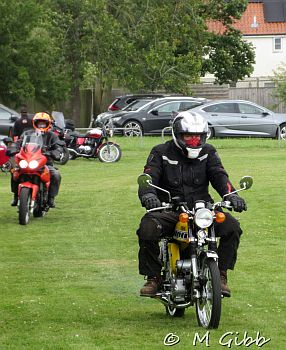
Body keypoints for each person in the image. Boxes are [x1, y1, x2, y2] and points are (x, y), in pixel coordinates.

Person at [137, 111, 247, 298]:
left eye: (198, 136)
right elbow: (149, 177)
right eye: (188, 136)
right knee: (148, 227)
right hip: (170, 209)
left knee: (232, 227)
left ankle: (220, 275)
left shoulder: (208, 152)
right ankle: (153, 277)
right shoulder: (160, 152)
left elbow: (219, 175)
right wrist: (148, 195)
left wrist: (232, 195)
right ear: (177, 134)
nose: (194, 141)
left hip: (202, 210)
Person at [10, 112, 62, 208]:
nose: (41, 125)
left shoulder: (52, 136)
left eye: (44, 123)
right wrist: (13, 147)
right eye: (39, 123)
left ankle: (51, 197)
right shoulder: (27, 133)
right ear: (35, 123)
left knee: (55, 174)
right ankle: (15, 196)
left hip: (45, 163)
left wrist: (55, 152)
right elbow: (18, 142)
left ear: (48, 124)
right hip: (28, 160)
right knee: (14, 171)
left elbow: (58, 146)